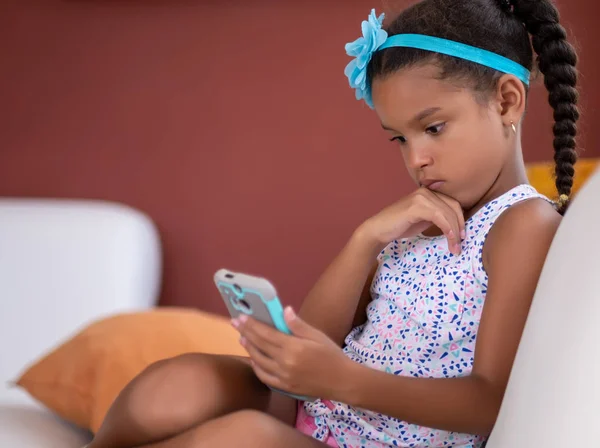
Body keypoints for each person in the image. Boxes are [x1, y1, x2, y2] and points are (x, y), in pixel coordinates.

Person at [87, 0, 579, 446]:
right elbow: (316, 341)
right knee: (172, 384)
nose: (418, 160)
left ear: (507, 101)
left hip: (385, 440)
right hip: (323, 412)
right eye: (399, 140)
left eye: (432, 128)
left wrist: (341, 379)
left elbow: (489, 402)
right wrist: (365, 240)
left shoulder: (522, 225)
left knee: (242, 437)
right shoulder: (417, 221)